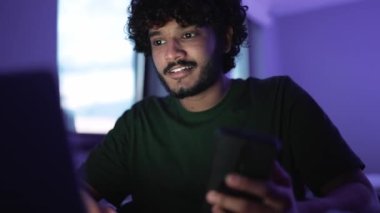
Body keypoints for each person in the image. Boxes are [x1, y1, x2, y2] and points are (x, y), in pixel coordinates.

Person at [80, 0, 379, 212]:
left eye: (187, 34)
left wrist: (302, 211)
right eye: (158, 41)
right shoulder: (137, 123)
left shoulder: (280, 99)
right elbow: (78, 192)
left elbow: (363, 197)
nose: (171, 53)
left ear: (224, 39)